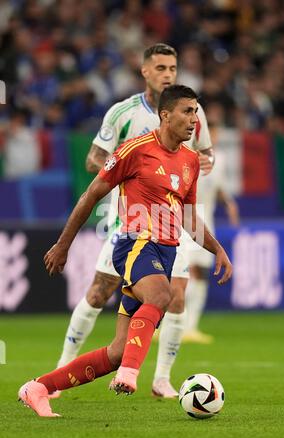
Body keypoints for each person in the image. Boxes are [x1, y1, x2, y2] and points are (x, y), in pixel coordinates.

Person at [18, 85, 232, 417]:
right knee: (162, 295)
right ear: (166, 114)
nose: (194, 119)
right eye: (188, 111)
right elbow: (90, 196)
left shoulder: (190, 160)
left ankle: (39, 388)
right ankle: (130, 374)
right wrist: (63, 244)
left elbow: (189, 216)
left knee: (118, 350)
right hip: (135, 244)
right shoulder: (134, 149)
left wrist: (217, 249)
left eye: (196, 112)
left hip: (167, 250)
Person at [54, 43, 215, 399]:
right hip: (129, 217)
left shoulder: (191, 114)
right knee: (99, 291)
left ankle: (161, 379)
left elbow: (203, 154)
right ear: (145, 71)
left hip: (174, 218)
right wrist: (130, 173)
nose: (167, 74)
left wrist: (206, 162)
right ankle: (62, 367)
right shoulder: (122, 112)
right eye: (160, 68)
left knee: (176, 297)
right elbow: (94, 159)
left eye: (172, 68)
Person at [183, 123, 240, 343]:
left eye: (214, 133)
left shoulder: (219, 159)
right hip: (185, 218)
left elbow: (218, 187)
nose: (211, 136)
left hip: (207, 219)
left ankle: (190, 327)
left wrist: (228, 203)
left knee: (201, 272)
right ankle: (169, 322)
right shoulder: (184, 153)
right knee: (181, 272)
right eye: (208, 132)